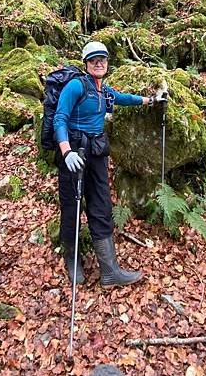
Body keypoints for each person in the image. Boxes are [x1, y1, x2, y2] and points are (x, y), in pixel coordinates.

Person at [53, 41, 166, 287]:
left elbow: (125, 98)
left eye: (102, 58)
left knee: (102, 206)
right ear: (86, 63)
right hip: (73, 152)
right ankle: (72, 260)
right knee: (72, 207)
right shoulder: (75, 86)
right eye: (93, 59)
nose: (99, 63)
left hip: (96, 153)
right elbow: (59, 119)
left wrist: (152, 100)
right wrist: (66, 152)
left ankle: (109, 270)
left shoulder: (104, 90)